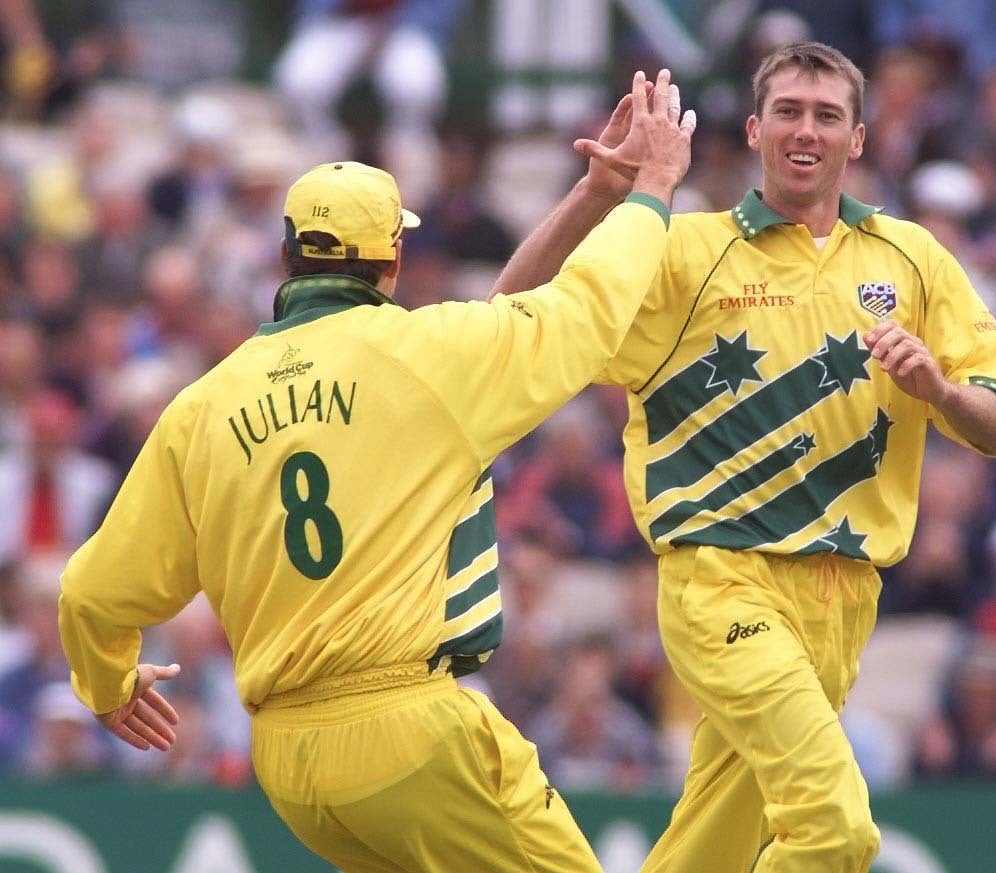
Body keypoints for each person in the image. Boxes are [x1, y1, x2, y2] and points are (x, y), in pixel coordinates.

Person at [57, 69, 696, 873]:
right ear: (394, 256)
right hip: (408, 731)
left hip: (289, 763)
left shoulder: (201, 406)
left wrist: (107, 682)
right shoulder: (432, 357)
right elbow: (590, 305)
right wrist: (652, 189)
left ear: (286, 255)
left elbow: (90, 592)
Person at [491, 42, 996, 872]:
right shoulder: (682, 250)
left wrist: (941, 392)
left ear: (856, 140)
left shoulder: (911, 257)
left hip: (843, 600)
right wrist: (601, 192)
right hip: (723, 580)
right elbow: (512, 314)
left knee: (708, 850)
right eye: (786, 111)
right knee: (835, 831)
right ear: (752, 129)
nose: (803, 130)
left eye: (825, 115)